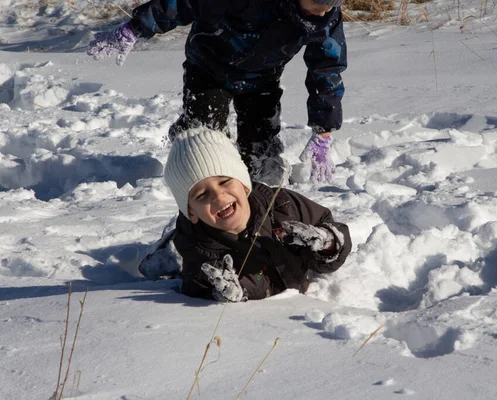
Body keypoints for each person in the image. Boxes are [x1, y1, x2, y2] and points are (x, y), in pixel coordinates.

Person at [86, 0, 347, 185]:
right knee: (206, 134)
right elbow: (185, 3)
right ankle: (193, 157)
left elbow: (327, 68)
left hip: (262, 78)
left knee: (261, 146)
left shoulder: (327, 18)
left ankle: (263, 191)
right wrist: (136, 27)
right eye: (318, 1)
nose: (323, 9)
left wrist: (324, 130)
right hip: (209, 66)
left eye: (332, 3)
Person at [161, 127, 352, 301]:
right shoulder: (203, 257)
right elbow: (201, 290)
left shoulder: (281, 205)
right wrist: (233, 293)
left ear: (244, 185)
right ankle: (164, 256)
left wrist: (327, 242)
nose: (219, 196)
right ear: (191, 212)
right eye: (202, 194)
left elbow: (326, 221)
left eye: (225, 181)